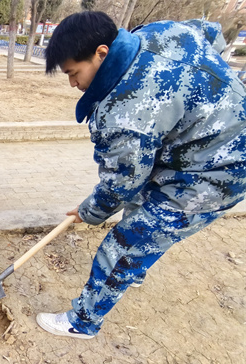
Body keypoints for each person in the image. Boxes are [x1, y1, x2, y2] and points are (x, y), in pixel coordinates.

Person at [37, 12, 246, 339]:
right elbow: (211, 32)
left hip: (214, 175)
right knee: (142, 209)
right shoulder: (161, 31)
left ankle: (83, 321)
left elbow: (121, 183)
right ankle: (135, 269)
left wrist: (90, 211)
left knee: (123, 245)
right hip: (202, 143)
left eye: (74, 73)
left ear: (101, 53)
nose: (72, 84)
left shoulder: (125, 112)